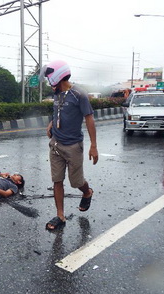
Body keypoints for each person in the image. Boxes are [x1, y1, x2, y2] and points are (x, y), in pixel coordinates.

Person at [40, 60, 98, 231]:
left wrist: (93, 145)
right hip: (56, 145)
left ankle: (87, 192)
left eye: (50, 79)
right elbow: (58, 111)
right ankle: (60, 215)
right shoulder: (57, 94)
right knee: (57, 181)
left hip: (73, 146)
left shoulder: (79, 94)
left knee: (76, 182)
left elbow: (89, 119)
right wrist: (52, 123)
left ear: (58, 77)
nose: (49, 84)